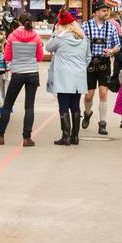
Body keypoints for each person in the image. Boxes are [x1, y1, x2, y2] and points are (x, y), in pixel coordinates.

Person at [0, 13, 44, 146]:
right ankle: (27, 138)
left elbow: (7, 57)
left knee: (7, 105)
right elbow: (39, 57)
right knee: (29, 106)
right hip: (33, 73)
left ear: (19, 22)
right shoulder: (36, 37)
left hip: (17, 73)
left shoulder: (12, 36)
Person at [45, 10, 89, 146]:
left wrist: (55, 33)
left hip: (63, 76)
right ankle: (75, 136)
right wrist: (81, 67)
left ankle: (66, 136)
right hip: (79, 76)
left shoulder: (60, 38)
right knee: (75, 105)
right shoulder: (83, 38)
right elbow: (88, 57)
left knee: (63, 105)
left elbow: (48, 47)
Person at [80, 1, 120, 136]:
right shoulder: (85, 26)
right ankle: (87, 113)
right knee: (88, 95)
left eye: (107, 10)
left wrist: (111, 51)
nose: (106, 13)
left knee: (103, 92)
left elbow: (118, 45)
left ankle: (102, 123)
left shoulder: (111, 27)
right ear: (95, 12)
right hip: (89, 63)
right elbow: (79, 43)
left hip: (104, 62)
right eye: (103, 10)